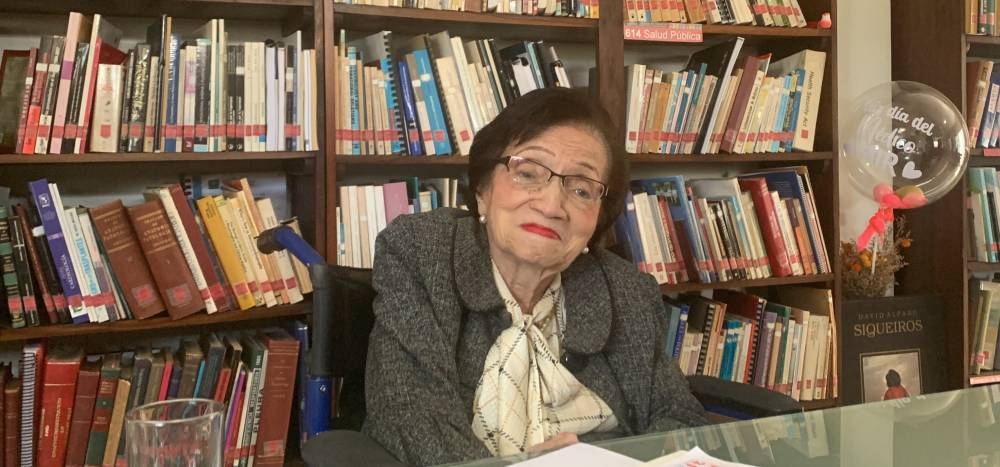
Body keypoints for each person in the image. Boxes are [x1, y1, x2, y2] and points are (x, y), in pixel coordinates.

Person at [362, 87, 708, 466]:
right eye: (528, 173)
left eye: (581, 189)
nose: (551, 205)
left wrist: (600, 459)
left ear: (598, 218)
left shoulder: (626, 291)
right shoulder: (422, 253)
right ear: (482, 190)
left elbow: (681, 420)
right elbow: (412, 415)